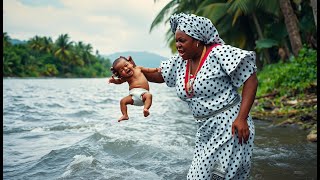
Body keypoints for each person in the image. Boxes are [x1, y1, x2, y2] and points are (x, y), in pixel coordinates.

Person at [140, 13, 258, 179]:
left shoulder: (218, 54)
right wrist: (132, 72)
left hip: (230, 126)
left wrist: (242, 118)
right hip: (204, 130)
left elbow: (251, 79)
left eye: (182, 40)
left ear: (197, 40)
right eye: (177, 40)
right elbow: (160, 75)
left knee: (218, 176)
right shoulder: (181, 61)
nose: (178, 45)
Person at [108, 56, 160, 122]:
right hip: (133, 96)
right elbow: (119, 81)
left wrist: (156, 69)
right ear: (120, 74)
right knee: (122, 101)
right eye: (121, 70)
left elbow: (148, 70)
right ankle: (125, 115)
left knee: (149, 96)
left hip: (143, 94)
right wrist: (114, 81)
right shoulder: (125, 77)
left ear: (131, 63)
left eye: (126, 65)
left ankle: (146, 109)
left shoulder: (138, 69)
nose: (125, 69)